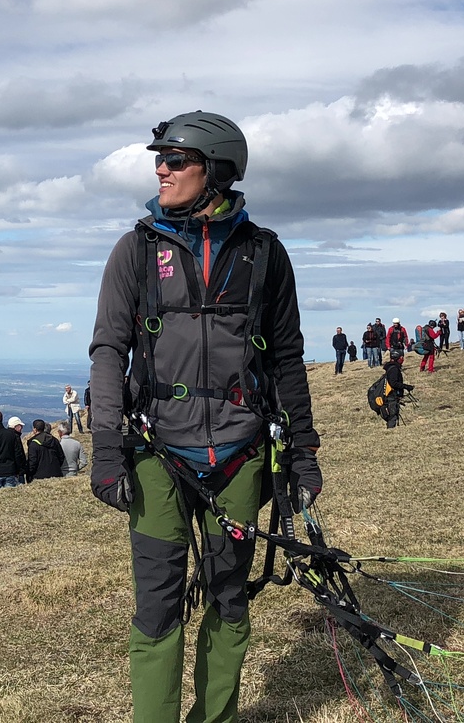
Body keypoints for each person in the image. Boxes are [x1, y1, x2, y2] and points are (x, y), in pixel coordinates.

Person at [88, 110, 321, 723]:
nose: (160, 169)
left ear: (215, 172)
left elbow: (288, 360)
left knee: (228, 598)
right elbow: (108, 351)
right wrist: (108, 446)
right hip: (156, 453)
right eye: (157, 159)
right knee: (158, 605)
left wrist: (302, 452)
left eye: (175, 160)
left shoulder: (265, 254)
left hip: (240, 456)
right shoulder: (135, 249)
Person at [379, 349, 409, 428]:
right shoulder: (394, 369)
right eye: (401, 357)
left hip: (390, 395)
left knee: (393, 415)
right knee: (392, 416)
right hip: (391, 396)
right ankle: (390, 432)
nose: (402, 359)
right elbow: (393, 383)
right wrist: (406, 386)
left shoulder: (391, 367)